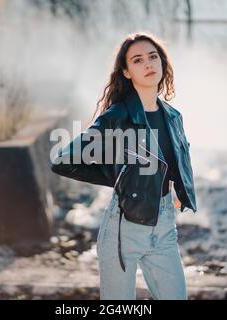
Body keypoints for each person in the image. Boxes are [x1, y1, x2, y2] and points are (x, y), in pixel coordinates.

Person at [51, 31, 197, 300]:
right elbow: (63, 161)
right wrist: (117, 177)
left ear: (163, 62)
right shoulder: (118, 115)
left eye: (153, 57)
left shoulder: (173, 117)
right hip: (123, 230)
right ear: (127, 72)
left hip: (164, 228)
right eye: (138, 60)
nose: (148, 64)